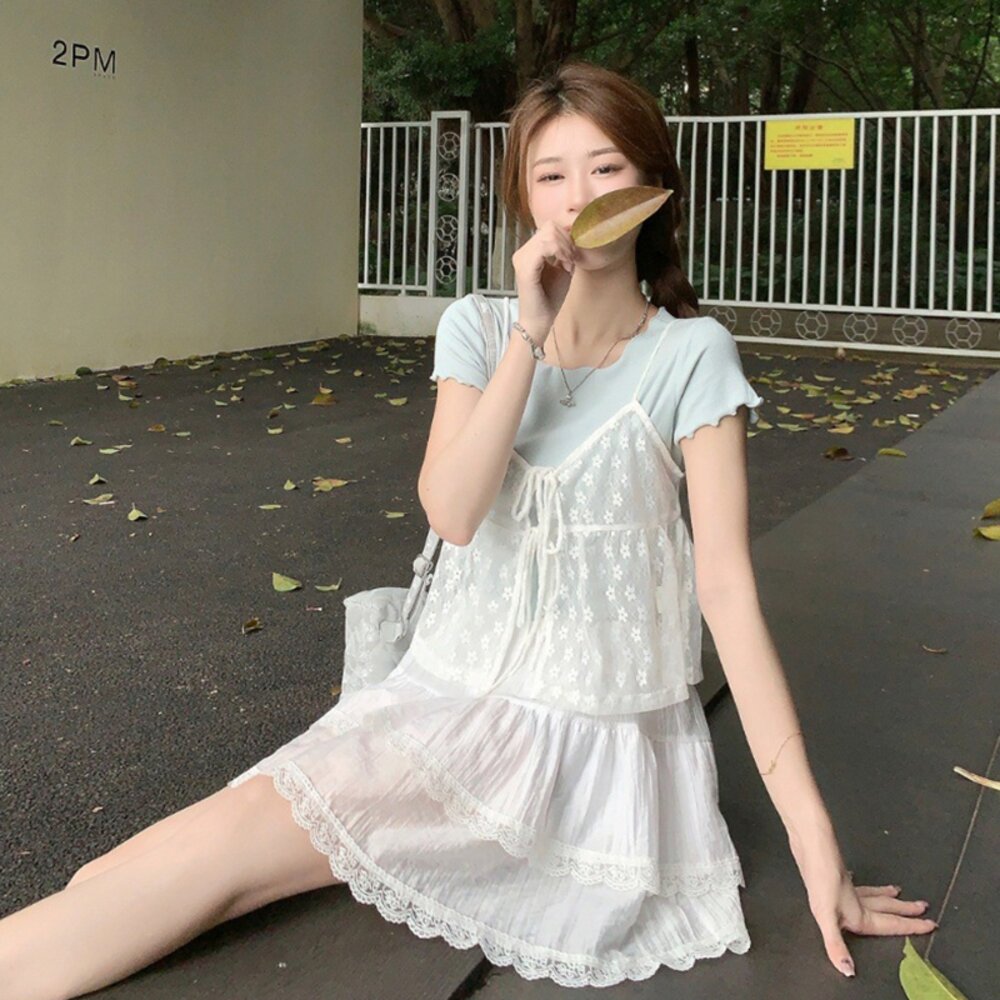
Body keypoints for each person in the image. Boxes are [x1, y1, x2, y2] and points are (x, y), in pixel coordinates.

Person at [0, 61, 935, 999]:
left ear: (653, 187)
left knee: (221, 852)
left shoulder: (693, 354)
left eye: (606, 169)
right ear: (524, 198)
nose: (578, 198)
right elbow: (451, 511)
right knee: (137, 863)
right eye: (551, 175)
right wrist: (529, 333)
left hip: (564, 750)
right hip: (436, 699)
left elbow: (726, 592)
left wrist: (817, 845)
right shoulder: (481, 330)